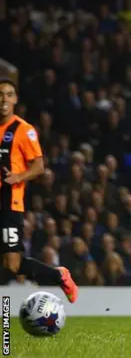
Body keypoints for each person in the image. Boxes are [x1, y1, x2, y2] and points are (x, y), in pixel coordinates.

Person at [0, 78, 78, 302]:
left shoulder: (23, 130)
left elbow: (39, 166)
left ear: (15, 99)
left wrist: (18, 176)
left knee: (13, 263)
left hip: (9, 203)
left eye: (8, 94)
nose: (3, 98)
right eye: (0, 94)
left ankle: (59, 276)